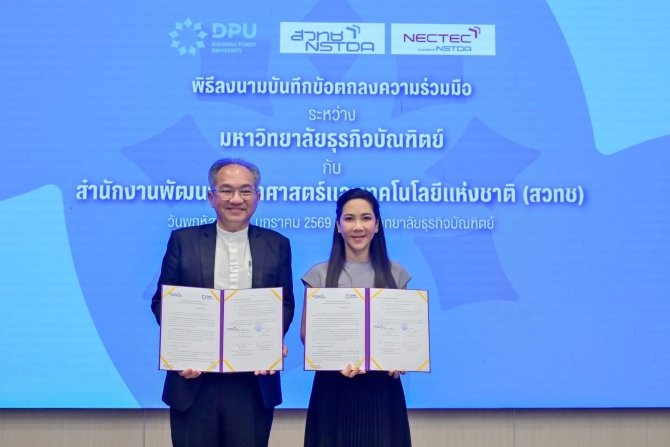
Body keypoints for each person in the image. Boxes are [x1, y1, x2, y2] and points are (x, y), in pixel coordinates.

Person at [151, 158, 295, 447]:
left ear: (257, 197)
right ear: (211, 197)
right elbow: (162, 303)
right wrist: (182, 349)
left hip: (252, 383)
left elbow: (285, 304)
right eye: (227, 190)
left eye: (245, 191)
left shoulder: (277, 244)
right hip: (193, 381)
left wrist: (270, 340)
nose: (236, 199)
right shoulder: (183, 240)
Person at [300, 188, 412, 447]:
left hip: (383, 390)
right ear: (338, 225)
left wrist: (402, 355)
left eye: (366, 218)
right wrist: (333, 356)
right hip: (332, 387)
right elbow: (307, 335)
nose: (358, 226)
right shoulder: (318, 275)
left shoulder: (396, 273)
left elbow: (404, 333)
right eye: (349, 219)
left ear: (377, 225)